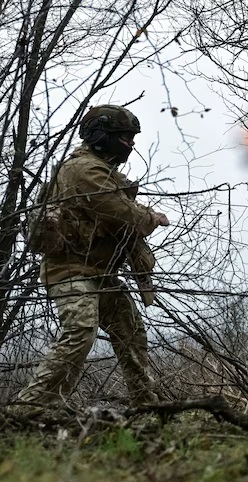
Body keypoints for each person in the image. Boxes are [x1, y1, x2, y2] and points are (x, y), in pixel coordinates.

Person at [18, 105, 169, 407]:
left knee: (130, 332)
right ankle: (29, 407)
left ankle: (147, 404)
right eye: (124, 137)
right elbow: (118, 209)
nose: (130, 144)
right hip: (71, 271)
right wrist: (151, 217)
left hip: (99, 272)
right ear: (102, 136)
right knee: (80, 332)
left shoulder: (101, 169)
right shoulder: (84, 169)